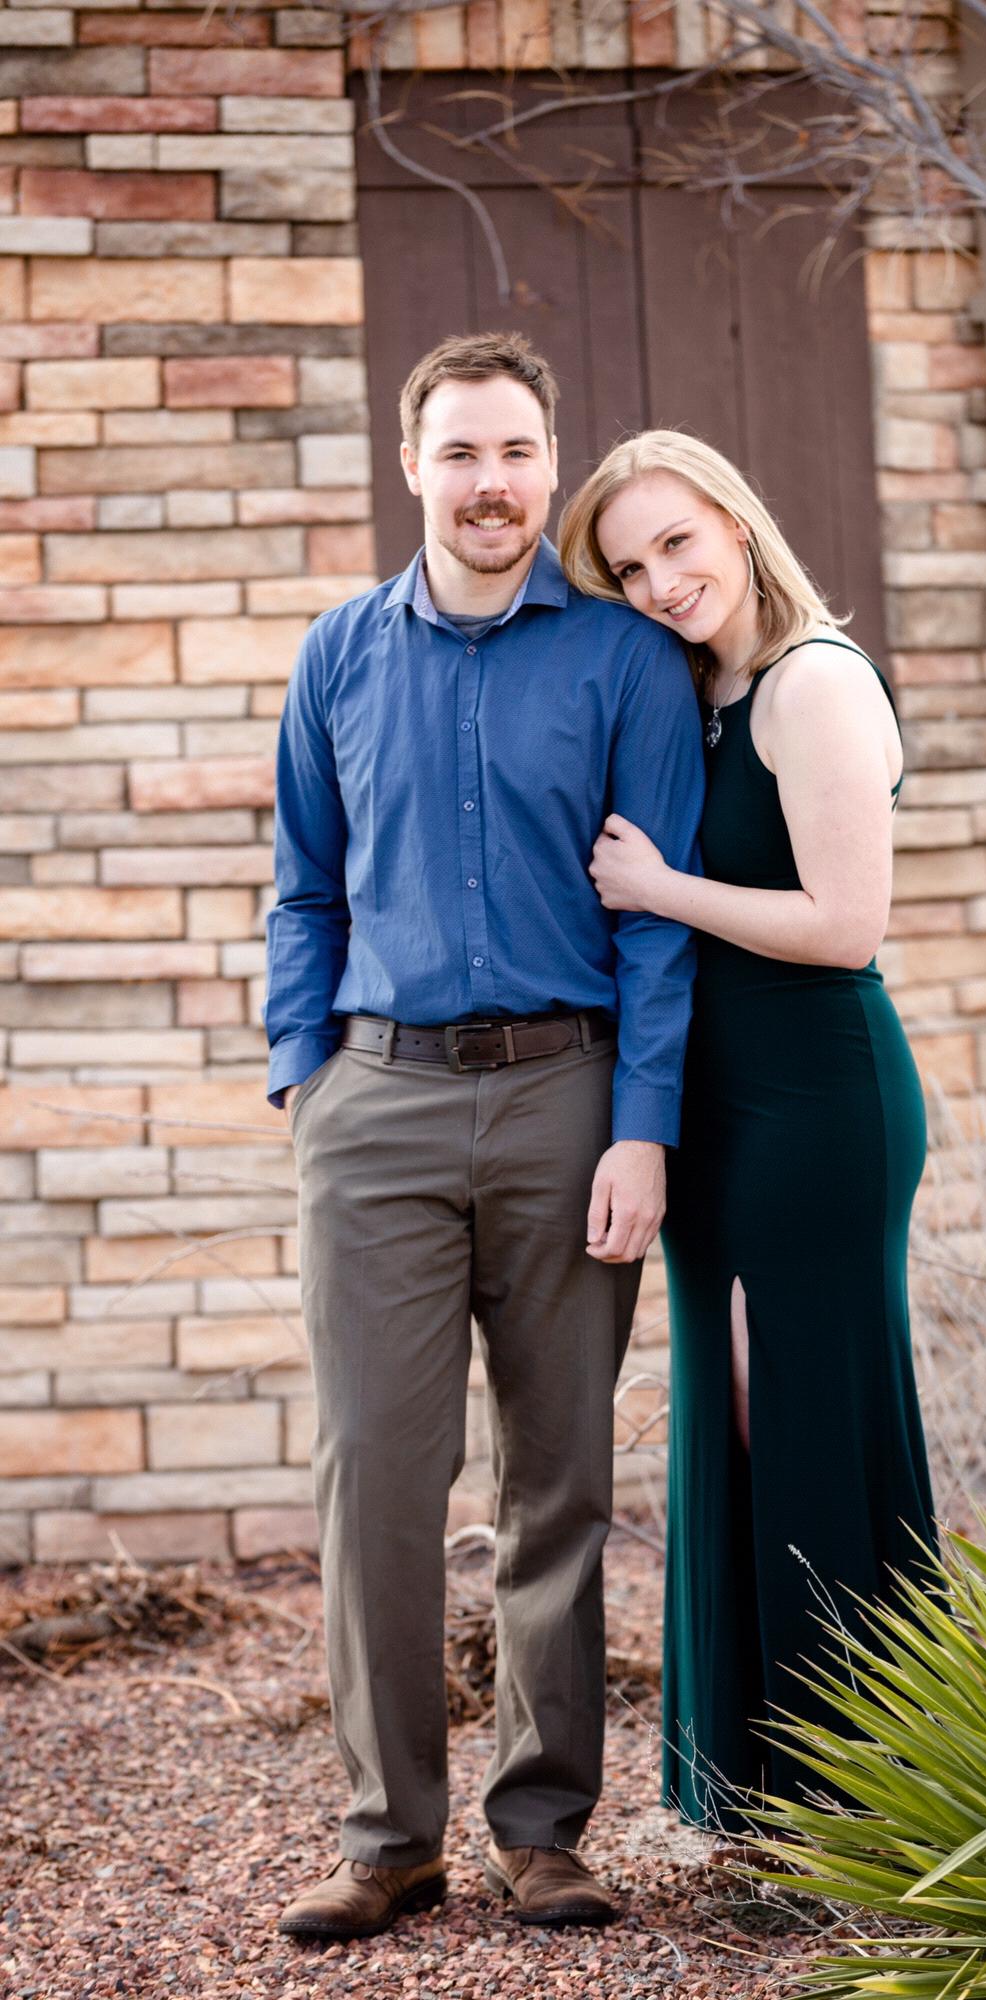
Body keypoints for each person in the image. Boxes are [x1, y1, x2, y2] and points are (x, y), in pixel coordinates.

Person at [265, 339, 703, 1941]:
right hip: (374, 1104)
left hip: (563, 1100)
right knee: (375, 1478)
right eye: (459, 452)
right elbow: (304, 886)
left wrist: (640, 1131)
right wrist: (304, 1081)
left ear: (549, 462)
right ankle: (388, 1838)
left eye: (516, 450)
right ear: (412, 466)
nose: (491, 482)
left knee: (558, 1477)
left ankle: (542, 1830)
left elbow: (657, 926)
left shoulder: (623, 665)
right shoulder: (336, 656)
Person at [559, 432, 937, 1840]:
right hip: (716, 1110)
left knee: (807, 1413)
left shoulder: (811, 681)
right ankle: (761, 1786)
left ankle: (870, 1785)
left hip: (816, 1100)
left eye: (676, 543)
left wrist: (660, 887)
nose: (660, 582)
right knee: (736, 1419)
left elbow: (845, 925)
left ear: (734, 519)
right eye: (627, 568)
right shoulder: (705, 694)